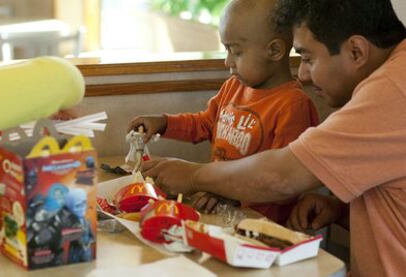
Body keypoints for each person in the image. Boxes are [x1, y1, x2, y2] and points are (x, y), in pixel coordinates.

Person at [141, 0, 406, 276]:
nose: (302, 75)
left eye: (307, 58)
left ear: (356, 50)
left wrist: (194, 176)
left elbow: (282, 177)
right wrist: (341, 212)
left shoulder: (392, 91)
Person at [129, 0, 319, 223]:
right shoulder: (233, 87)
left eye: (235, 52)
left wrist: (231, 193)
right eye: (226, 49)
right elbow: (205, 124)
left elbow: (285, 185)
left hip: (260, 226)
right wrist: (164, 123)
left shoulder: (293, 105)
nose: (227, 61)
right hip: (219, 210)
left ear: (275, 50)